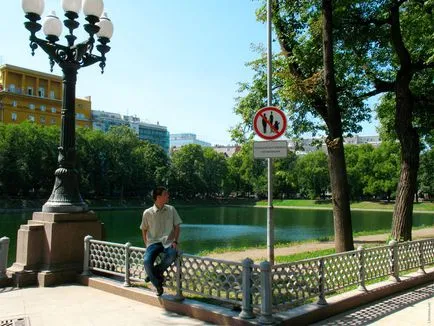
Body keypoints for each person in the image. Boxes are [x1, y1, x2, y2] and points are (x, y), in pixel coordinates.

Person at [140, 186, 182, 296]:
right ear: (158, 197)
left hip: (168, 243)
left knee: (172, 254)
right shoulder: (147, 213)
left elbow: (177, 226)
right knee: (146, 261)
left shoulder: (171, 209)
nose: (168, 196)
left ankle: (154, 273)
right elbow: (143, 229)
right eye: (165, 194)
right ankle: (158, 285)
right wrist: (147, 244)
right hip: (153, 243)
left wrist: (175, 241)